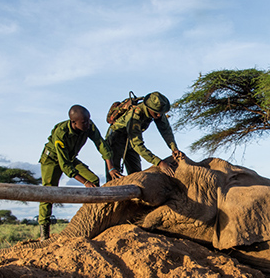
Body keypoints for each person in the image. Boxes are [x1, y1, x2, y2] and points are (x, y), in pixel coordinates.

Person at [38, 105, 119, 239]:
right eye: (84, 122)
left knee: (94, 180)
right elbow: (64, 165)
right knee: (48, 192)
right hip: (52, 159)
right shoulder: (61, 133)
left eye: (88, 120)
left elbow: (101, 144)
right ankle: (44, 232)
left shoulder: (89, 125)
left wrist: (111, 167)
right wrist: (84, 182)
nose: (87, 124)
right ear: (73, 122)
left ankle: (91, 219)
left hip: (70, 157)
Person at [105, 91, 185, 180]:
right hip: (117, 139)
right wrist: (159, 162)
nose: (159, 115)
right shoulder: (135, 115)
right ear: (148, 108)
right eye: (156, 112)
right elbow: (137, 144)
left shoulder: (158, 112)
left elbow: (166, 130)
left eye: (161, 112)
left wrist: (174, 148)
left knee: (136, 174)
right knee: (114, 175)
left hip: (131, 142)